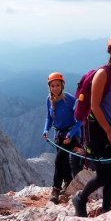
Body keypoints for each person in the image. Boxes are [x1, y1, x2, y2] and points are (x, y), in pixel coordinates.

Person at [72, 32, 111, 217]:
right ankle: (80, 199)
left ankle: (107, 210)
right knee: (103, 175)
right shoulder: (102, 74)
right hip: (98, 131)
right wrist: (109, 132)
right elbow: (95, 106)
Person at [43, 72, 83, 204]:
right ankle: (68, 183)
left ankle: (56, 189)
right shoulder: (49, 100)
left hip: (72, 135)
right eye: (53, 86)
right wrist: (46, 130)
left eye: (57, 85)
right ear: (49, 87)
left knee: (58, 161)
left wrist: (71, 135)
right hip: (59, 135)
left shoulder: (70, 99)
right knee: (64, 162)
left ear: (62, 86)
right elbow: (49, 118)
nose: (55, 88)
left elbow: (80, 120)